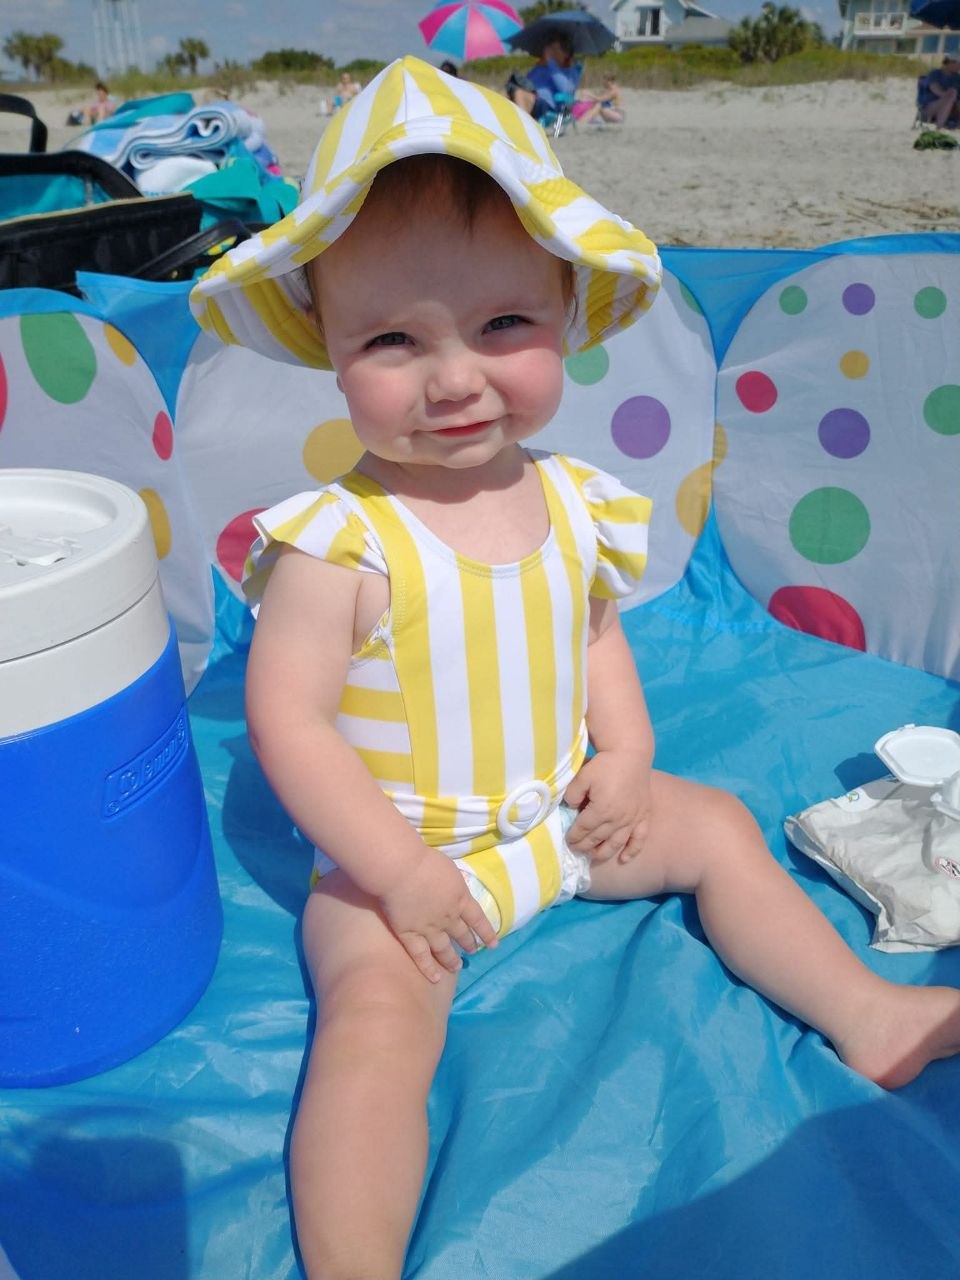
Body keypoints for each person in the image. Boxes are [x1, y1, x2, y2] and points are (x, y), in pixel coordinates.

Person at [189, 57, 960, 1280]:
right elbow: (289, 724)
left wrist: (633, 754)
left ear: (565, 317)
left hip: (559, 819)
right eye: (394, 338)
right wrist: (396, 872)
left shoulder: (571, 500)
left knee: (713, 827)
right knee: (373, 1027)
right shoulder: (339, 539)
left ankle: (865, 1011)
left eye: (503, 326)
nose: (454, 378)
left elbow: (595, 634)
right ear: (327, 350)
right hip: (408, 860)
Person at [525, 30, 582, 122]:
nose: (552, 53)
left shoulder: (571, 71)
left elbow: (566, 90)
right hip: (530, 98)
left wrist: (551, 63)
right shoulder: (541, 68)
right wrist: (540, 66)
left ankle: (523, 127)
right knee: (510, 93)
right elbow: (526, 82)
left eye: (555, 49)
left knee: (521, 94)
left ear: (566, 53)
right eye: (550, 49)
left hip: (547, 105)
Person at [921, 55, 960, 128]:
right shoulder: (935, 73)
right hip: (929, 109)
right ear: (950, 63)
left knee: (952, 97)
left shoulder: (957, 78)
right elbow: (934, 88)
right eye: (959, 64)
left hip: (952, 110)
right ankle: (939, 126)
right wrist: (947, 94)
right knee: (951, 96)